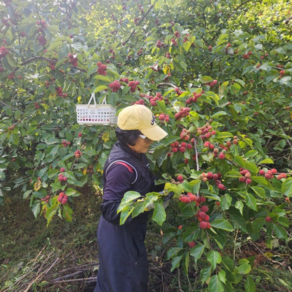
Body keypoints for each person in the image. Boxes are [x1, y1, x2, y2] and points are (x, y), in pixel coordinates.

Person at [93, 104, 168, 292]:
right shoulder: (121, 167)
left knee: (121, 281)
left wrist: (166, 188)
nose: (151, 140)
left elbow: (143, 186)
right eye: (146, 136)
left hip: (130, 230)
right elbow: (110, 209)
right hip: (118, 235)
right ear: (130, 136)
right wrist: (147, 205)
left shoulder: (137, 155)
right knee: (127, 283)